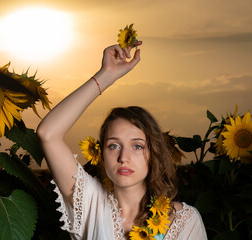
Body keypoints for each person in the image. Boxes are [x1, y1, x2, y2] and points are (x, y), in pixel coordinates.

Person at [37, 42, 207, 240]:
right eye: (114, 145)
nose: (123, 157)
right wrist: (106, 75)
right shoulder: (91, 205)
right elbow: (48, 133)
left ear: (154, 154)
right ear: (102, 155)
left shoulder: (185, 221)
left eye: (137, 146)